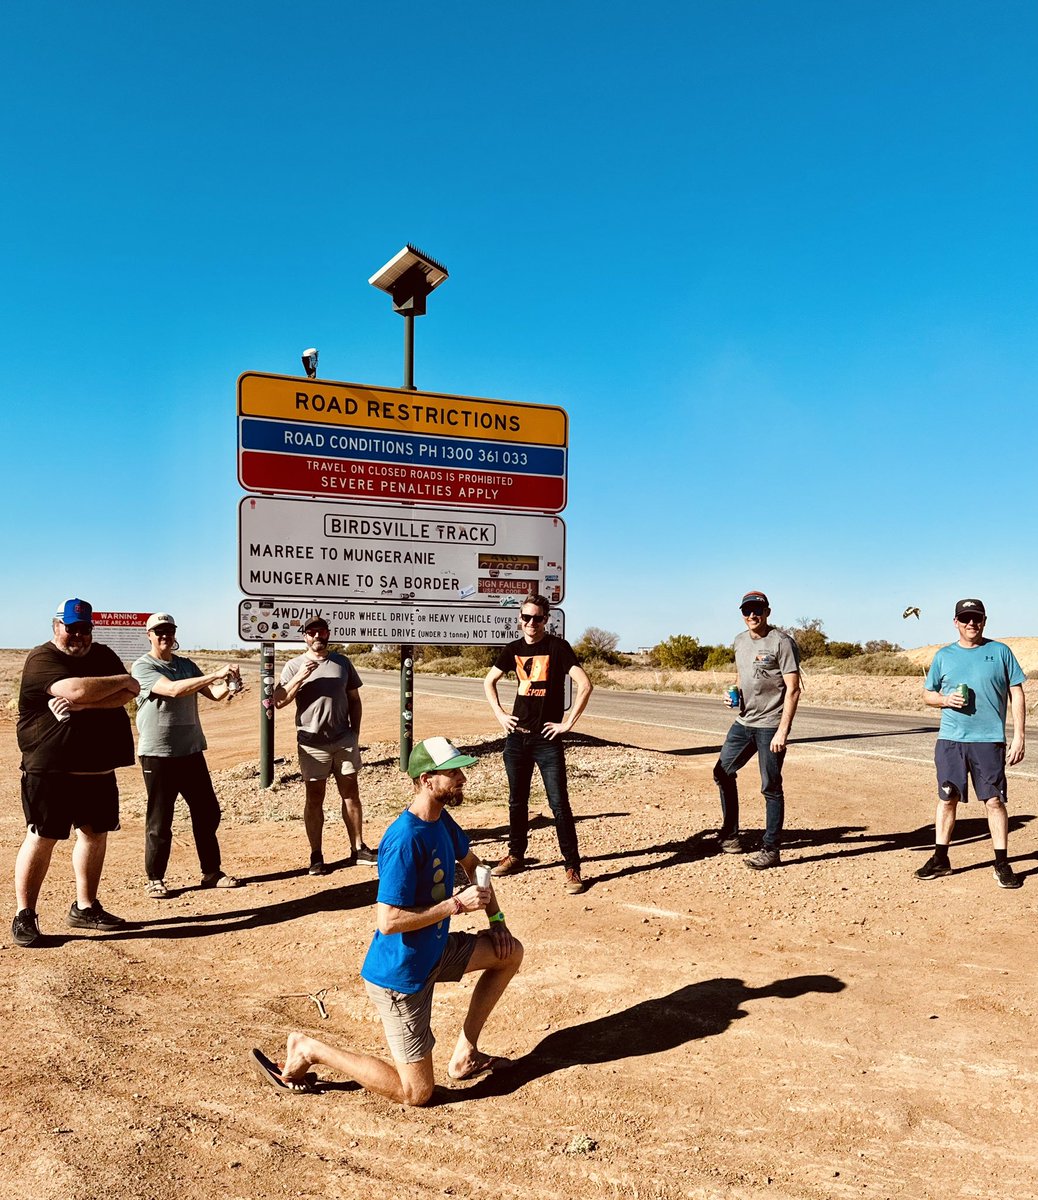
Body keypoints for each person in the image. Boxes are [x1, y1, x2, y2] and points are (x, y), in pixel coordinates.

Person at [250, 736, 523, 1104]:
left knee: (509, 953)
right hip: (401, 976)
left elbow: (475, 867)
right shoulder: (404, 839)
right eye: (453, 773)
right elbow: (388, 921)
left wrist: (498, 921)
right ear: (427, 780)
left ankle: (465, 1055)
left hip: (435, 951)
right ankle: (308, 1048)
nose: (463, 779)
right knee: (417, 1093)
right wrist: (456, 906)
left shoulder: (442, 822)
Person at [12, 598, 140, 947]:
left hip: (97, 768)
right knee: (42, 837)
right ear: (57, 626)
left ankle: (85, 907)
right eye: (72, 628)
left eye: (85, 629)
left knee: (95, 835)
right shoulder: (42, 659)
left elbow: (130, 690)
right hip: (50, 769)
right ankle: (25, 914)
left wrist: (85, 703)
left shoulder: (103, 655)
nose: (79, 636)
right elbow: (77, 688)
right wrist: (108, 686)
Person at [483, 593, 593, 895]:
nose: (532, 623)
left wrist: (568, 722)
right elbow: (488, 681)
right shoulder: (513, 649)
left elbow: (585, 684)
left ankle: (572, 867)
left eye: (538, 618)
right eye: (527, 617)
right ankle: (516, 854)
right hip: (517, 739)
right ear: (520, 619)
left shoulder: (558, 648)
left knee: (559, 805)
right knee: (517, 802)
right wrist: (501, 714)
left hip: (547, 741)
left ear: (546, 619)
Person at [131, 612, 244, 897]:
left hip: (191, 750)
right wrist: (215, 673)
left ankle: (211, 872)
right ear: (149, 635)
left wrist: (230, 684)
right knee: (160, 819)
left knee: (207, 813)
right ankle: (155, 878)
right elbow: (171, 690)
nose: (164, 635)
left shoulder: (186, 665)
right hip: (158, 753)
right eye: (159, 631)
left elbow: (212, 694)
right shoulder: (143, 666)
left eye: (169, 630)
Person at [915, 598, 1026, 889]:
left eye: (976, 618)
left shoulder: (1000, 652)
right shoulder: (943, 656)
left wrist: (1019, 736)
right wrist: (944, 699)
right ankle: (941, 859)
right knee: (948, 797)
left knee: (994, 801)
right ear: (956, 623)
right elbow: (928, 694)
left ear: (985, 621)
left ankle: (1001, 863)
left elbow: (1017, 693)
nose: (971, 624)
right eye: (965, 619)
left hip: (989, 741)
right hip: (951, 740)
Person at [273, 615, 375, 874]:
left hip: (343, 740)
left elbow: (354, 699)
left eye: (321, 631)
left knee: (351, 793)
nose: (317, 636)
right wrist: (300, 677)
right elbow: (279, 700)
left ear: (328, 634)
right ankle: (316, 856)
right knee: (314, 798)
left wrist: (355, 733)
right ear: (304, 636)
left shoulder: (342, 662)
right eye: (311, 632)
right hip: (312, 744)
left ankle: (358, 848)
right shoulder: (293, 665)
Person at [712, 590, 801, 870]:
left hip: (770, 725)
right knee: (722, 771)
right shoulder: (739, 641)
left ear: (768, 612)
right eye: (747, 610)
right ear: (742, 613)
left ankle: (771, 849)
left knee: (770, 787)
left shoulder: (782, 642)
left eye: (758, 610)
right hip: (744, 722)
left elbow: (794, 689)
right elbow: (741, 676)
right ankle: (731, 836)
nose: (752, 615)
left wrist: (782, 731)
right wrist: (733, 694)